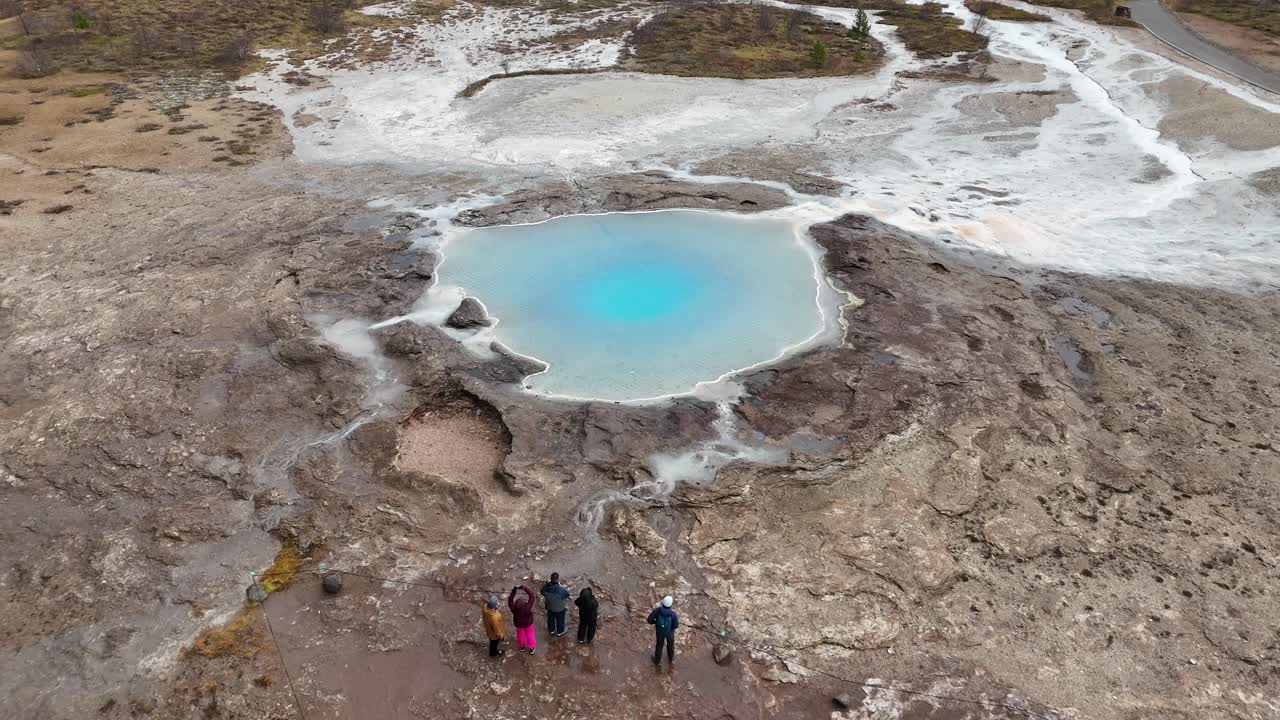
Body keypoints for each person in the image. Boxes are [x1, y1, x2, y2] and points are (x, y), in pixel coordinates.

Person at [647, 595, 679, 665]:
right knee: (671, 645)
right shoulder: (673, 614)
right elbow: (676, 626)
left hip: (660, 632)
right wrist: (671, 628)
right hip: (670, 633)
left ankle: (657, 661)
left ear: (663, 603)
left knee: (659, 645)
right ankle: (671, 659)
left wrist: (656, 622)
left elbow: (649, 620)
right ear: (670, 605)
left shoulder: (657, 610)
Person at [540, 572, 570, 637]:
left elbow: (542, 592)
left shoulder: (546, 588)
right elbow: (567, 595)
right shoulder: (561, 590)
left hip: (549, 608)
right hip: (560, 609)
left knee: (551, 619)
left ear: (551, 579)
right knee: (560, 620)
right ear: (557, 579)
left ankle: (551, 630)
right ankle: (560, 631)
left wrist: (546, 585)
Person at [509, 585, 537, 654]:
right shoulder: (527, 607)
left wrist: (514, 590)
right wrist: (524, 588)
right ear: (524, 603)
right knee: (530, 634)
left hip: (518, 624)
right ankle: (531, 648)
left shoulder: (514, 609)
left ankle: (522, 647)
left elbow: (510, 600)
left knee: (520, 635)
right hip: (528, 624)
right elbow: (532, 596)